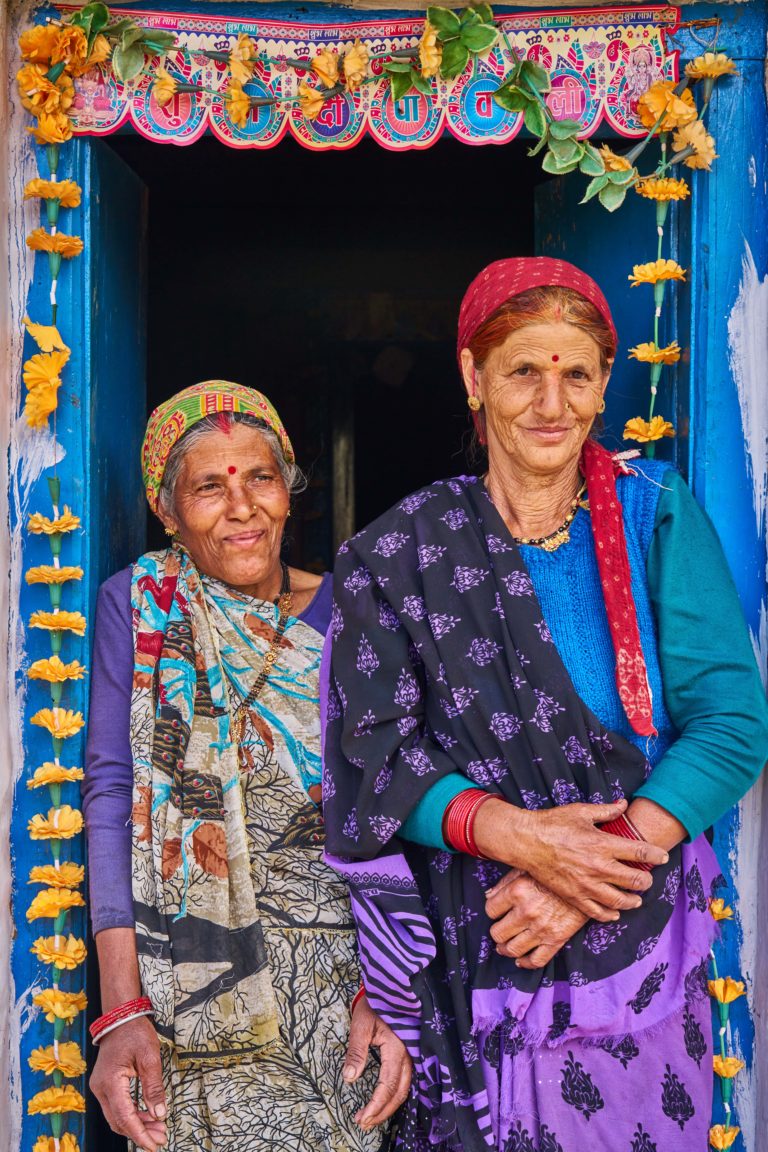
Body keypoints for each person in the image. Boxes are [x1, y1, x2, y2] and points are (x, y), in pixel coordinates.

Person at [322, 258, 768, 1151]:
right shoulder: (399, 553)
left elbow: (730, 723)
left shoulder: (654, 516)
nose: (551, 402)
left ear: (605, 387)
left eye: (577, 374)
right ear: (472, 378)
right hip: (475, 948)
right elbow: (373, 756)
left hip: (631, 946)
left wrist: (592, 869)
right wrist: (525, 841)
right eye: (525, 370)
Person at [83, 381, 410, 1152]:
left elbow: (396, 797)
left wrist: (395, 988)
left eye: (259, 477)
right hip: (182, 999)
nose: (242, 507)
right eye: (208, 486)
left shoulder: (354, 611)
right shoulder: (140, 607)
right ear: (168, 512)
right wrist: (121, 1010)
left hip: (341, 984)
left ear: (291, 491)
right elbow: (112, 794)